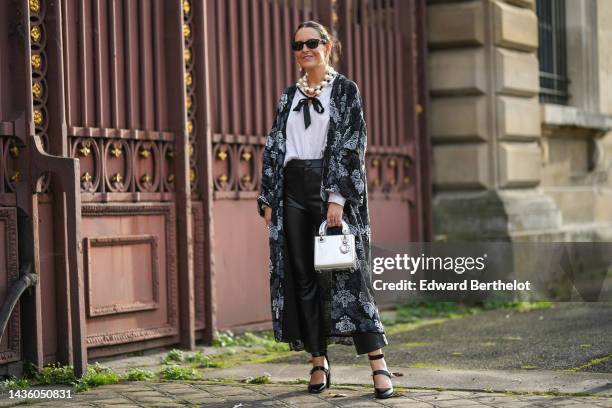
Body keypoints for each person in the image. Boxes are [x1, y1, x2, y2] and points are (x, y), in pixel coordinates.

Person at [257, 20, 393, 399]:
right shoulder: (288, 96)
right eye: (298, 44)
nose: (305, 49)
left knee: (350, 277)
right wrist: (269, 197)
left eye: (312, 43)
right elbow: (274, 145)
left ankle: (378, 366)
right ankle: (318, 361)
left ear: (327, 46)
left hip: (328, 187)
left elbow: (353, 144)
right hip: (293, 192)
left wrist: (337, 198)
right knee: (302, 278)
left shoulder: (346, 90)